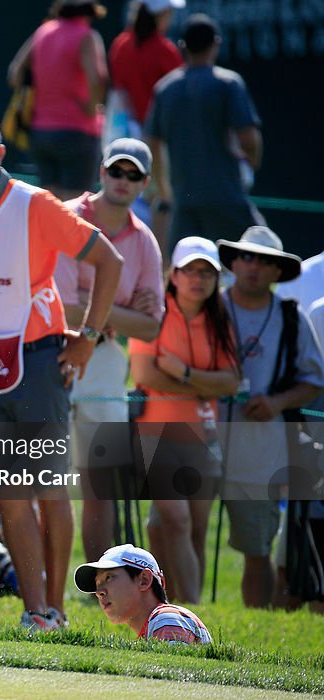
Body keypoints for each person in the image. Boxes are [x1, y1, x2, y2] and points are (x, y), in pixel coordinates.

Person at [0, 116, 123, 630]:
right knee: (11, 493)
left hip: (37, 360)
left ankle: (55, 609)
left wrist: (88, 338)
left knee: (49, 489)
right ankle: (35, 612)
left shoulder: (34, 203)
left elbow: (110, 260)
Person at [55, 138, 164, 563]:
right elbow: (61, 304)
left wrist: (95, 308)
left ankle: (98, 584)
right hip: (54, 351)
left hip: (105, 363)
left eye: (132, 174)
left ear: (145, 183)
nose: (122, 180)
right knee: (47, 478)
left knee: (101, 484)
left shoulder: (146, 241)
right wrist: (119, 312)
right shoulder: (67, 218)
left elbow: (153, 327)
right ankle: (45, 584)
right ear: (101, 172)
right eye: (116, 171)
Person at [217, 226, 324, 608]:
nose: (253, 266)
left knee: (257, 550)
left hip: (262, 447)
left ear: (278, 271)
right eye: (246, 256)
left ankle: (254, 627)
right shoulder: (208, 306)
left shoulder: (291, 317)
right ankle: (175, 627)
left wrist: (277, 402)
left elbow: (312, 380)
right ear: (233, 262)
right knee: (173, 530)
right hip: (197, 436)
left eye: (265, 261)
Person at [129, 236, 239, 603]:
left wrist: (187, 375)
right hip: (155, 434)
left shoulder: (219, 318)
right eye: (189, 270)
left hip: (203, 436)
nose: (198, 278)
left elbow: (231, 380)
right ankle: (188, 611)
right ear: (173, 274)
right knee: (176, 521)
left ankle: (175, 613)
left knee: (194, 531)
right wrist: (206, 385)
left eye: (206, 271)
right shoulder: (155, 313)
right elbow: (147, 373)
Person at [146, 14, 263, 252]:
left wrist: (163, 189)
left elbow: (151, 143)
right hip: (227, 197)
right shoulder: (228, 84)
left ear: (182, 46)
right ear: (215, 43)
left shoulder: (165, 88)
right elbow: (249, 139)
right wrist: (251, 163)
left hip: (184, 202)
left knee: (184, 277)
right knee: (259, 258)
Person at [7, 0, 109, 201]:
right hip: (77, 132)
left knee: (52, 207)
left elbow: (14, 74)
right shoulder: (86, 36)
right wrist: (91, 109)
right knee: (76, 208)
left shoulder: (43, 32)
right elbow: (98, 78)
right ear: (90, 5)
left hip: (41, 135)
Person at [75, 544, 213, 644]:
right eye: (98, 584)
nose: (99, 592)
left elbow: (172, 682)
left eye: (109, 577)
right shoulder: (157, 625)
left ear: (144, 580)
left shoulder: (167, 619)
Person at [107, 0, 185, 135]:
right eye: (169, 10)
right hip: (159, 134)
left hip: (126, 135)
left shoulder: (120, 44)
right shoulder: (165, 50)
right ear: (161, 13)